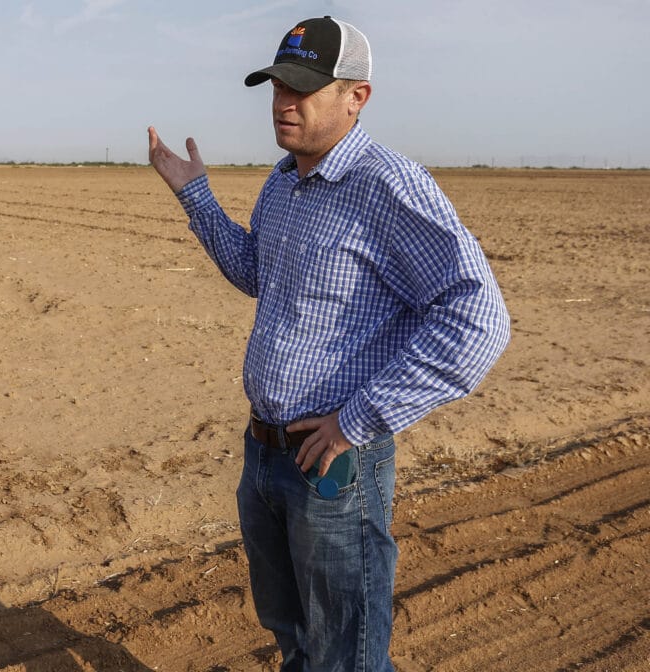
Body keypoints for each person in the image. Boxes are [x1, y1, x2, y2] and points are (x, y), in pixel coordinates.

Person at [147, 15, 510, 672]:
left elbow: (478, 319)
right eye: (278, 85)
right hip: (264, 458)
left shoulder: (386, 185)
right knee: (294, 641)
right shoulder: (284, 181)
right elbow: (258, 274)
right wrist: (194, 196)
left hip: (335, 471)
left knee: (346, 656)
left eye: (304, 88)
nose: (285, 102)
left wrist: (356, 422)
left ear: (356, 96)